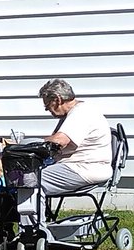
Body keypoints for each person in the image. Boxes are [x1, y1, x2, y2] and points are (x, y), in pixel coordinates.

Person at [7, 78, 112, 227]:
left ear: (57, 99)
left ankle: (32, 232)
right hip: (77, 166)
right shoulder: (76, 113)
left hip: (84, 168)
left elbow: (60, 141)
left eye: (47, 105)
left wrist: (31, 144)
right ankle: (35, 228)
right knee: (27, 177)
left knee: (29, 180)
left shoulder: (81, 113)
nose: (47, 110)